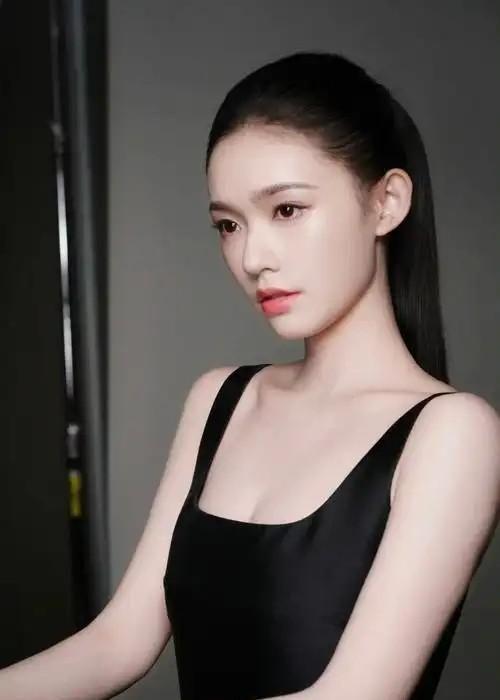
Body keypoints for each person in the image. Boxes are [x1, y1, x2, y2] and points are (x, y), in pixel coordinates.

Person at [1, 51, 499, 700]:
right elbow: (116, 644)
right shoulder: (220, 398)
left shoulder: (453, 432)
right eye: (228, 225)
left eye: (287, 210)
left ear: (387, 202)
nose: (252, 257)